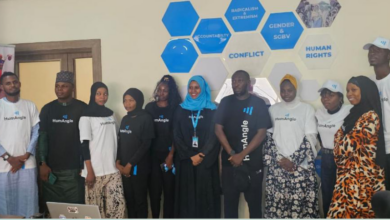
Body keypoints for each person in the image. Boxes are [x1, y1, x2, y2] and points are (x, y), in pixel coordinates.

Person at [215, 70, 271, 218]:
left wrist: (242, 155)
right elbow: (218, 129)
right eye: (233, 81)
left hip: (252, 165)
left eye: (239, 80)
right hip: (230, 164)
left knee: (254, 208)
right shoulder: (225, 102)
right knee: (230, 208)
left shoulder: (258, 103)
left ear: (248, 83)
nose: (236, 84)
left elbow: (262, 132)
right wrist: (232, 153)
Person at [328, 76, 386, 218]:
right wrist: (340, 144)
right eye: (348, 90)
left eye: (354, 90)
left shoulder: (370, 116)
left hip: (362, 181)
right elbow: (338, 145)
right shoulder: (352, 115)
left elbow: (344, 147)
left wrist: (340, 144)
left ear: (365, 91)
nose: (349, 94)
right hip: (346, 178)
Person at [264, 74, 319, 218]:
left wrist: (293, 159)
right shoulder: (273, 110)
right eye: (283, 90)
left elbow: (311, 137)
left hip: (299, 167)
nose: (286, 94)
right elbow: (269, 136)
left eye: (290, 90)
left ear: (296, 89)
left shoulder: (307, 109)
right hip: (278, 167)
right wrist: (280, 159)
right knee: (278, 206)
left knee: (299, 207)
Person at [38, 71, 87, 211]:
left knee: (76, 211)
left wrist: (85, 164)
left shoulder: (82, 108)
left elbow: (87, 140)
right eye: (57, 86)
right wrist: (42, 163)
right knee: (54, 211)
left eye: (64, 86)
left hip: (74, 171)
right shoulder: (47, 109)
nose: (60, 89)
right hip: (51, 171)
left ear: (72, 87)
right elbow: (42, 137)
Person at [173, 75, 221, 218]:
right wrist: (190, 155)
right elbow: (176, 135)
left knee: (206, 198)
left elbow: (215, 135)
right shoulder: (180, 110)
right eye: (191, 87)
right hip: (186, 162)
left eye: (197, 87)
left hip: (205, 162)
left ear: (203, 89)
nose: (193, 91)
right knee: (186, 199)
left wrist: (201, 155)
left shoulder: (212, 110)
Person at [79, 82, 125, 218]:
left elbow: (117, 136)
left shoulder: (111, 114)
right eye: (98, 94)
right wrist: (89, 171)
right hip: (94, 171)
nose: (102, 97)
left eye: (105, 94)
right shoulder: (85, 117)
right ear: (93, 95)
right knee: (95, 212)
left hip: (113, 170)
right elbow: (84, 145)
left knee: (117, 209)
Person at [0, 72, 39, 217]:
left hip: (27, 164)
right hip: (3, 167)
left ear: (20, 84)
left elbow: (36, 131)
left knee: (29, 204)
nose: (12, 85)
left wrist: (27, 154)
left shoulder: (29, 105)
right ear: (2, 87)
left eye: (15, 82)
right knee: (5, 205)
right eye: (8, 83)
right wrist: (8, 158)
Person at [146, 75, 181, 218]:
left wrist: (171, 156)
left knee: (169, 192)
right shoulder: (149, 108)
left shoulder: (175, 109)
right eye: (159, 90)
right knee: (154, 192)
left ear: (170, 92)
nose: (161, 93)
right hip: (152, 157)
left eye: (165, 90)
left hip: (169, 157)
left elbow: (177, 134)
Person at [315, 80, 352, 216]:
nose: (326, 98)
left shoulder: (348, 111)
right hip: (326, 158)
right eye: (324, 95)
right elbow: (319, 135)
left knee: (344, 194)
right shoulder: (319, 113)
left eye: (330, 95)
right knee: (327, 194)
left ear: (340, 97)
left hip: (343, 159)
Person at [116, 88, 154, 218]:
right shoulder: (125, 119)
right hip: (125, 168)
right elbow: (121, 142)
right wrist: (118, 161)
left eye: (131, 100)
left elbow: (146, 145)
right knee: (129, 201)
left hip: (138, 168)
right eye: (125, 101)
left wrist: (130, 164)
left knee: (140, 201)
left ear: (138, 101)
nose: (127, 104)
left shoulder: (146, 118)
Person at [364, 37, 390, 190]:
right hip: (374, 149)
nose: (372, 53)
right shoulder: (369, 83)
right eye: (370, 50)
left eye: (377, 50)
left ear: (388, 55)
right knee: (379, 195)